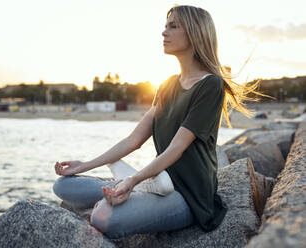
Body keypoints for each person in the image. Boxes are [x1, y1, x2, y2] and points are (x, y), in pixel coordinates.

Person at [52, 5, 261, 239]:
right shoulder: (167, 85)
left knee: (103, 218)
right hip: (156, 181)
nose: (164, 33)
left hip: (187, 195)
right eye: (165, 26)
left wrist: (132, 180)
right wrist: (85, 165)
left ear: (194, 33)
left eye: (173, 27)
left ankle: (129, 190)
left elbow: (176, 149)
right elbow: (133, 140)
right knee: (63, 186)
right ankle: (131, 190)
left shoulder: (210, 85)